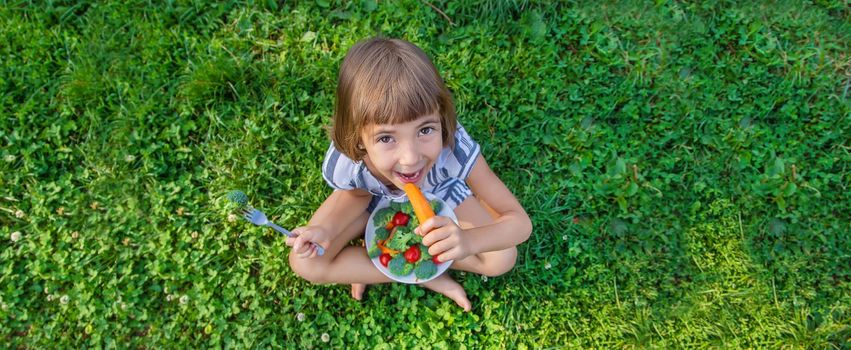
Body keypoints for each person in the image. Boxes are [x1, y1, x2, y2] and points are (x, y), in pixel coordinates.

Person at [285, 37, 532, 311]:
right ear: (357, 139)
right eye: (386, 138)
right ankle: (421, 275)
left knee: (502, 259)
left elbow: (520, 223)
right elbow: (355, 195)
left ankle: (414, 267)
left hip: (442, 195)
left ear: (441, 117)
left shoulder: (453, 150)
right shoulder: (349, 161)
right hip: (373, 198)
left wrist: (466, 241)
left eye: (425, 130)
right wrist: (325, 230)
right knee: (306, 263)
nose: (411, 158)